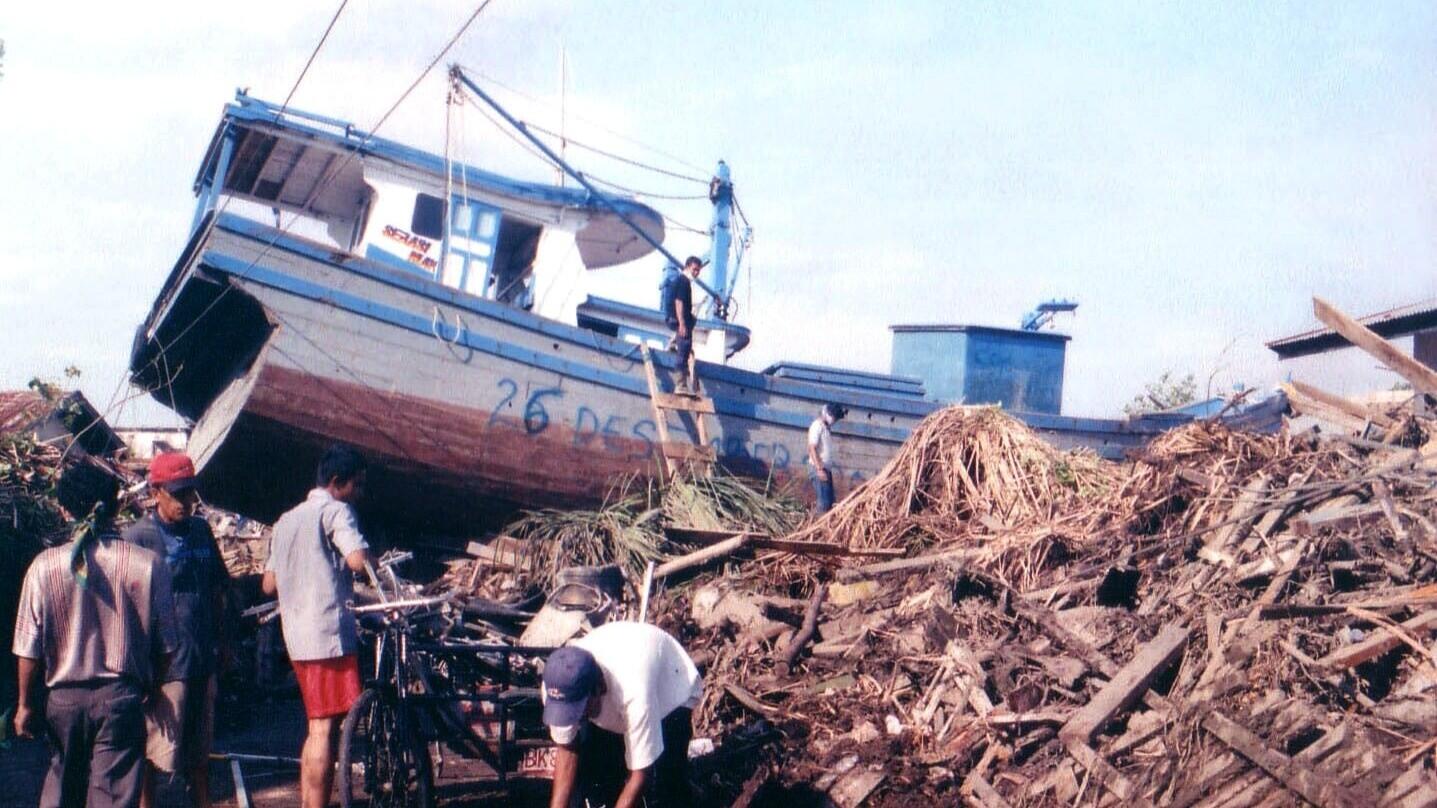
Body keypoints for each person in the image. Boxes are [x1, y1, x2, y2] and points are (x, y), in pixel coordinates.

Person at [13, 463, 179, 808]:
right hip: (121, 698)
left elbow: (28, 649)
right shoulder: (148, 564)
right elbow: (166, 645)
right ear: (115, 506)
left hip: (62, 700)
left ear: (64, 509)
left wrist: (25, 705)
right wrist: (152, 687)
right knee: (113, 795)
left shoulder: (43, 567)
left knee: (62, 789)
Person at [262, 444, 373, 808]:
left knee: (315, 725)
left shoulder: (286, 519)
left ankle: (312, 804)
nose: (359, 494)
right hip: (328, 635)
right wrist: (373, 559)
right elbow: (357, 561)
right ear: (337, 483)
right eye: (357, 486)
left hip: (296, 636)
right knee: (326, 729)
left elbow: (268, 585)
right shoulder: (336, 511)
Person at [123, 452, 229, 808]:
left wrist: (223, 643)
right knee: (155, 752)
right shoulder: (137, 538)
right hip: (165, 666)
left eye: (190, 494)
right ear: (156, 493)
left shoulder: (200, 531)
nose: (187, 502)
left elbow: (216, 589)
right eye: (178, 494)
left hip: (202, 657)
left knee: (200, 749)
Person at [541, 621, 702, 808]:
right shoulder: (559, 686)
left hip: (671, 690)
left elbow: (641, 773)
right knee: (600, 779)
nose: (574, 718)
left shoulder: (635, 692)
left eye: (579, 709)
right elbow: (567, 749)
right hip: (615, 699)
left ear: (598, 687)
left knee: (668, 782)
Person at [664, 256, 702, 392]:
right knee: (684, 348)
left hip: (674, 317)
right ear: (687, 267)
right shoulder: (684, 281)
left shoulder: (681, 281)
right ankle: (680, 385)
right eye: (694, 269)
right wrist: (682, 324)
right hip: (677, 319)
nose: (696, 273)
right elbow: (678, 302)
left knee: (692, 319)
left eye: (698, 271)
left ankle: (674, 341)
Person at [807, 402, 848, 514]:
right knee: (824, 505)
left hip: (825, 469)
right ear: (827, 414)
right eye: (834, 417)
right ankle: (816, 527)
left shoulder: (826, 428)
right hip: (818, 469)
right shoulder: (817, 426)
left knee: (829, 503)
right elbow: (812, 448)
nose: (835, 421)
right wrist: (819, 469)